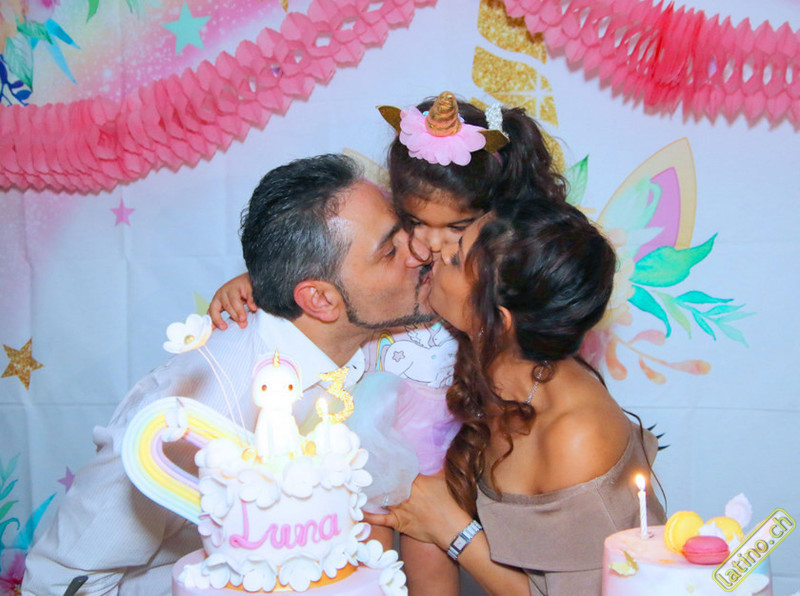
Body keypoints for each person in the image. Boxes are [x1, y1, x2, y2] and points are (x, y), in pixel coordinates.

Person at [21, 154, 435, 595]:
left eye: (406, 229)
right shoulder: (201, 403)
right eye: (390, 251)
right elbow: (61, 581)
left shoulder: (377, 336)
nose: (422, 251)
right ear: (319, 300)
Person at [207, 91, 567, 595]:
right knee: (360, 557)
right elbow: (324, 275)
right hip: (365, 430)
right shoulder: (397, 267)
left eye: (455, 227)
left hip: (442, 446)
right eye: (414, 223)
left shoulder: (484, 280)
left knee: (429, 561)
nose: (429, 244)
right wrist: (255, 281)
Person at [364, 199, 667, 596]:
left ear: (497, 320)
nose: (439, 252)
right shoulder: (499, 367)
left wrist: (449, 527)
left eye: (456, 259)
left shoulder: (576, 437)